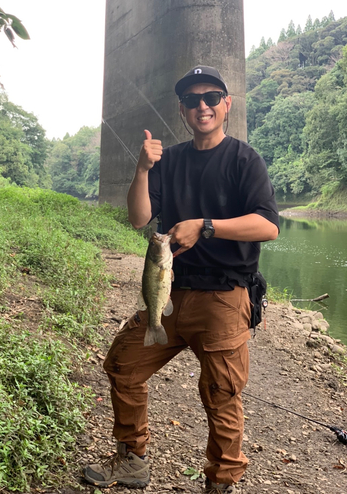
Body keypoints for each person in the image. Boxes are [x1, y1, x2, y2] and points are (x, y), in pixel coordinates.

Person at [84, 65, 279, 493]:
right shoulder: (166, 160)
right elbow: (138, 218)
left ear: (227, 104)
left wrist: (206, 225)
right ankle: (132, 459)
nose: (202, 106)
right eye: (192, 100)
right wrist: (141, 170)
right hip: (170, 292)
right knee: (122, 365)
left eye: (211, 97)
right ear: (182, 110)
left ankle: (220, 483)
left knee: (220, 394)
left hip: (225, 297)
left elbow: (268, 226)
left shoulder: (245, 160)